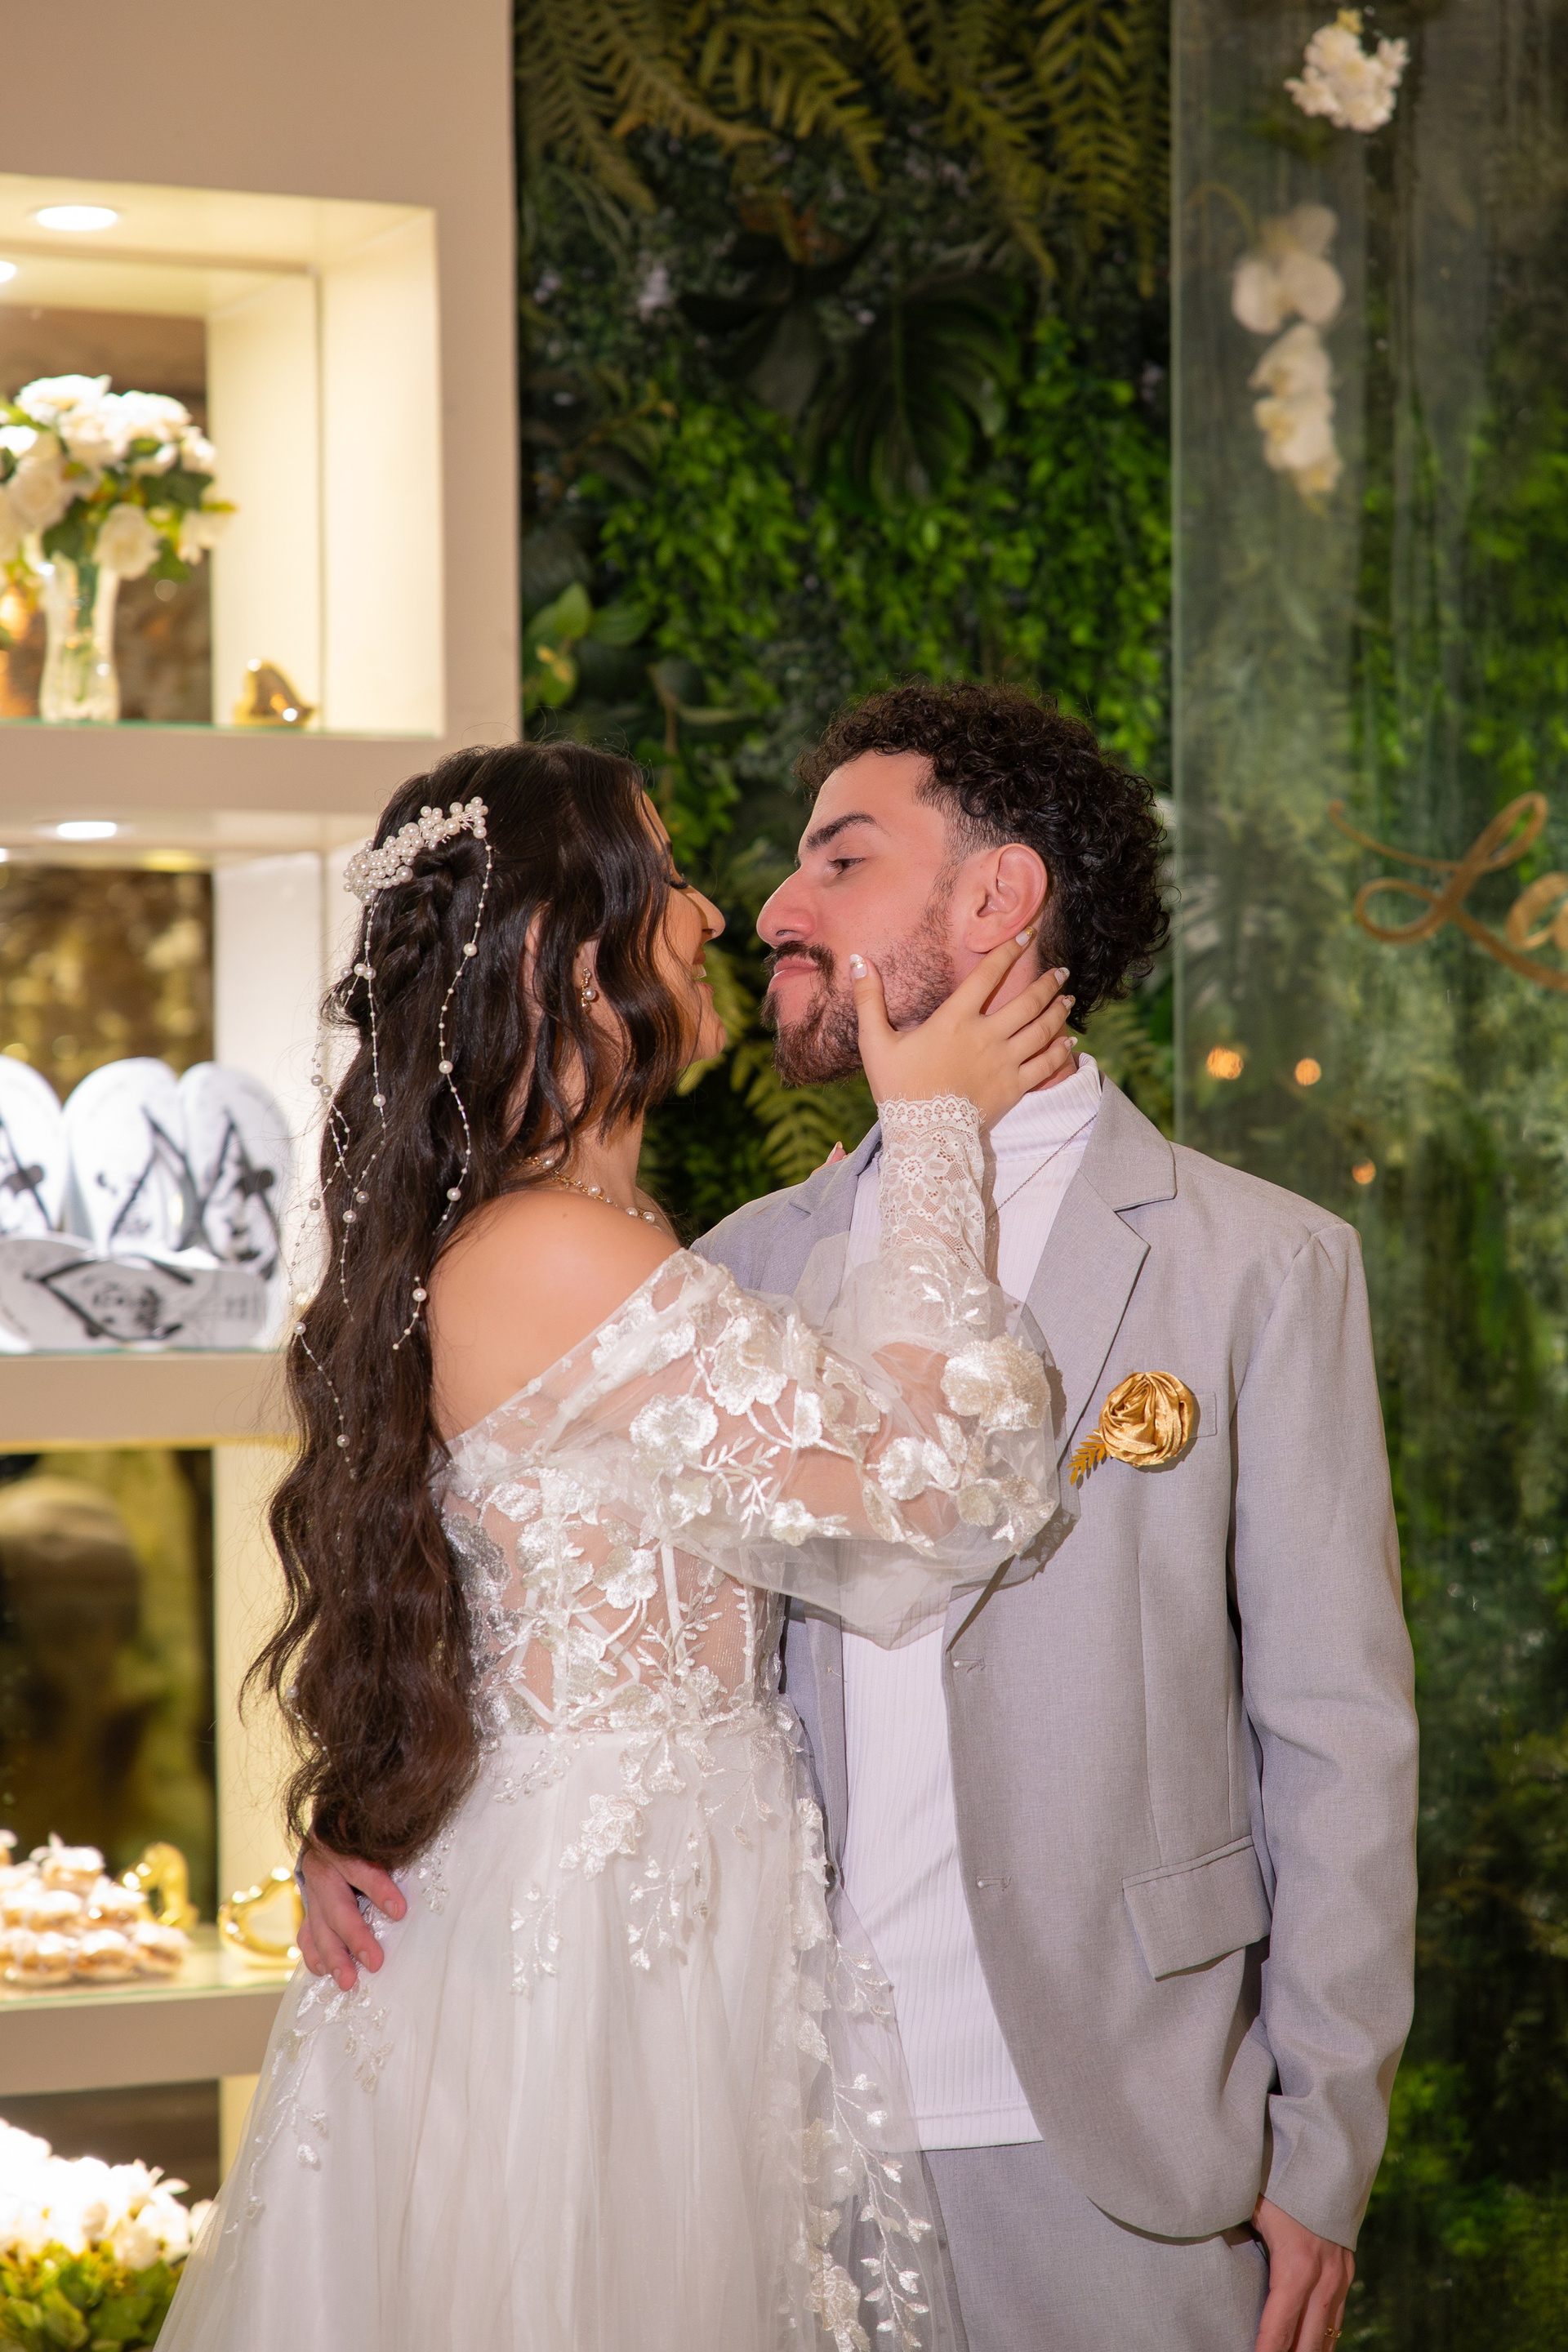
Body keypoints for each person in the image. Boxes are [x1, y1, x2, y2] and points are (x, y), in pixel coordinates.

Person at [302, 682, 1419, 2352]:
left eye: (840, 858)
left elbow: (1338, 1734)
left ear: (998, 899)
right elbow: (501, 1558)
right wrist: (383, 1810)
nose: (764, 907)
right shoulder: (728, 1260)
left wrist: (1323, 2143)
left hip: (1120, 2136)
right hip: (751, 2098)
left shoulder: (1257, 1265)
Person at [162, 737, 1078, 2352]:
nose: (714, 915)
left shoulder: (592, 1238)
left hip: (655, 1883)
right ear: (562, 960)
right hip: (595, 1936)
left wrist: (374, 1797)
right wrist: (937, 1133)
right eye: (666, 880)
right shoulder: (553, 1254)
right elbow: (937, 1489)